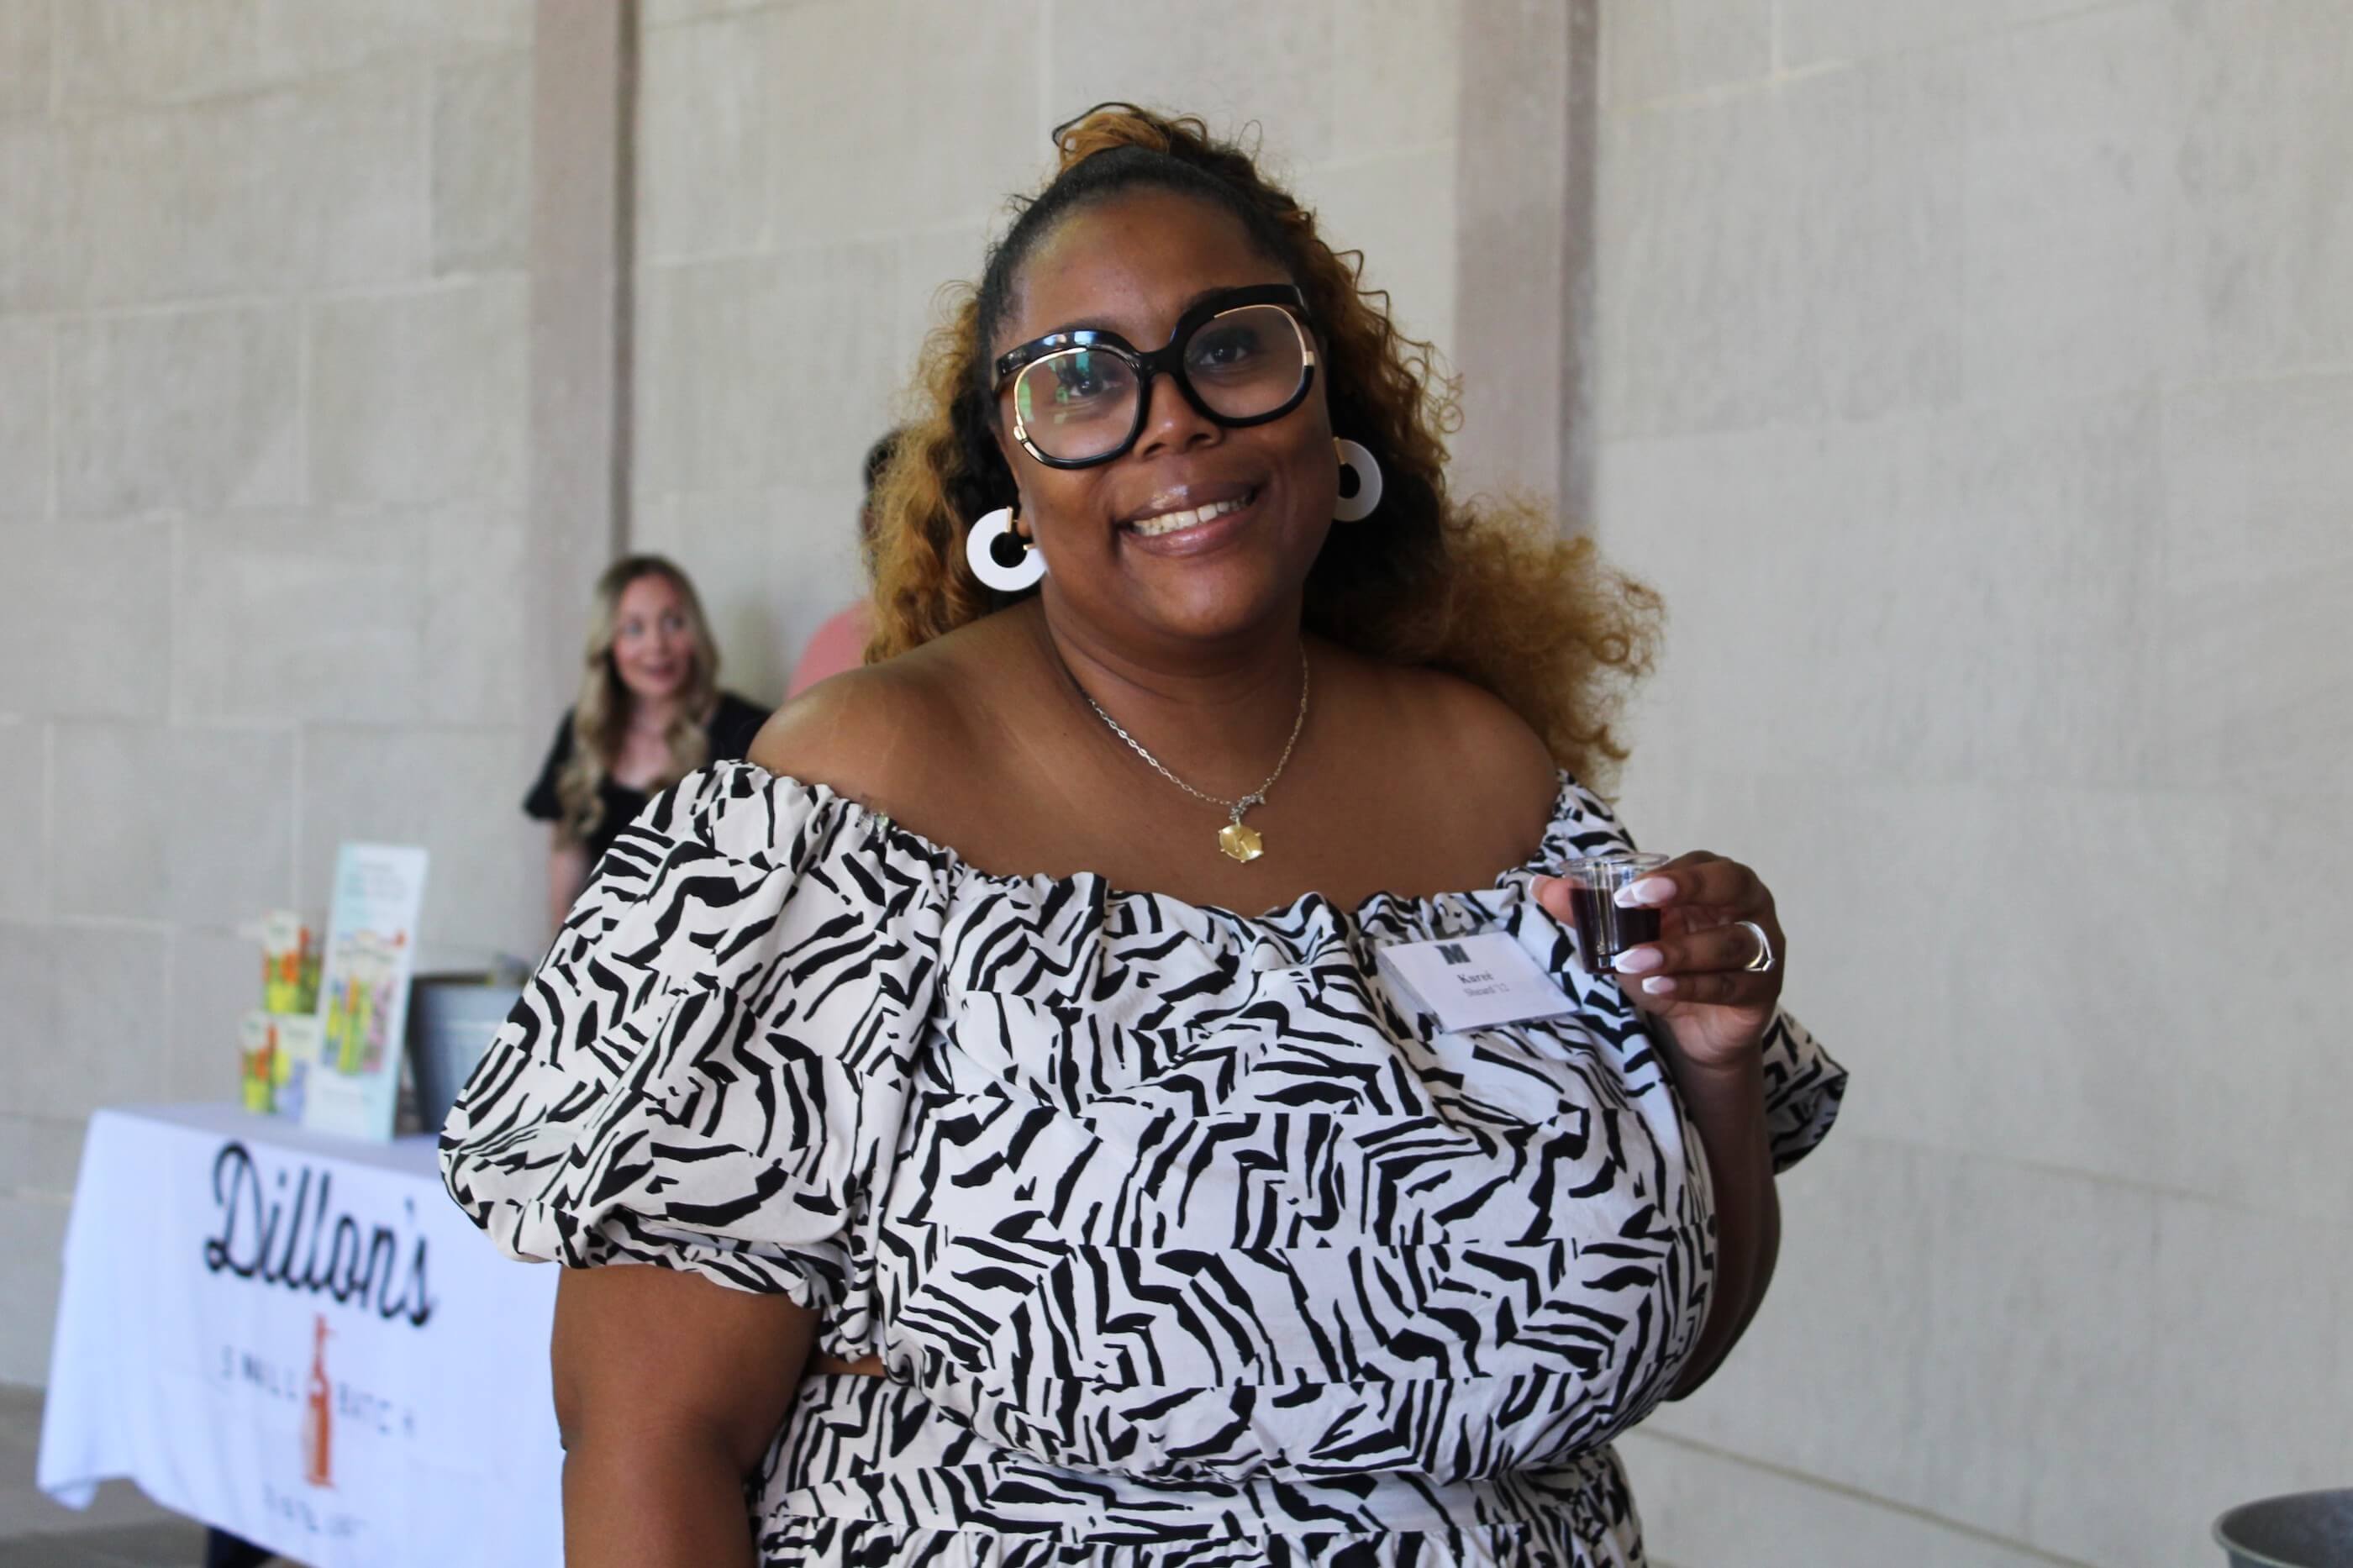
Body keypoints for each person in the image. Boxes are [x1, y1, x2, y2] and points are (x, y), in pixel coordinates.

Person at [446, 105, 1846, 1568]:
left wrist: (1714, 1065)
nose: (1171, 418)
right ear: (1011, 459)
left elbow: (1669, 1329)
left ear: (1326, 396)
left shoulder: (1492, 776)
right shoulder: (857, 792)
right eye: (1083, 379)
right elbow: (645, 1436)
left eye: (1229, 347)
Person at [522, 555, 768, 932]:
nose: (657, 646)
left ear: (696, 632)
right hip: (602, 970)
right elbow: (567, 877)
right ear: (608, 644)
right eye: (634, 629)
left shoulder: (749, 731)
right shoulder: (582, 732)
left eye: (673, 622)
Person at [784, 429, 903, 697]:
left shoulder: (984, 632)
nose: (907, 532)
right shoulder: (833, 643)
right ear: (867, 522)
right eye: (890, 509)